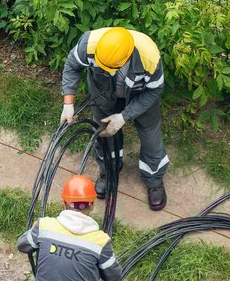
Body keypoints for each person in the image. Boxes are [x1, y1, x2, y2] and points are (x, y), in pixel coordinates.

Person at [59, 26, 169, 211]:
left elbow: (154, 91)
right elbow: (72, 66)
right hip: (103, 94)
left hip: (140, 94)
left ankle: (154, 179)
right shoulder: (89, 44)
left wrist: (124, 116)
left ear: (125, 59)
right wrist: (68, 103)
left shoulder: (148, 57)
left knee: (151, 138)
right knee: (104, 135)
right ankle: (108, 171)